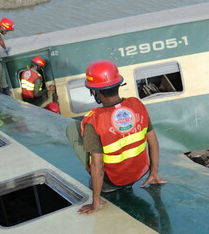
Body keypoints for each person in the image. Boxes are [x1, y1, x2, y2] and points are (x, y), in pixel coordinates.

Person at [68, 60, 165, 214]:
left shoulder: (93, 120)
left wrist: (95, 201)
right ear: (118, 84)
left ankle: (105, 192)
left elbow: (97, 166)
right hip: (138, 174)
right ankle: (128, 186)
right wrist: (154, 173)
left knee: (72, 129)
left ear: (94, 91)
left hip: (110, 182)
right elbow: (153, 142)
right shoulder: (137, 105)